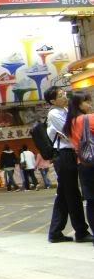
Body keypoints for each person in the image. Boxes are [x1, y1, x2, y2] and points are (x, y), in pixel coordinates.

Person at [44, 86, 91, 243]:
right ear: (52, 101)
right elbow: (70, 130)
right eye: (60, 95)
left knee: (64, 195)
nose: (65, 96)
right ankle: (81, 232)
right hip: (64, 155)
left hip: (69, 154)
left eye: (64, 93)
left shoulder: (64, 110)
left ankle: (55, 232)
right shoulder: (54, 113)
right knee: (72, 194)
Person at [63, 91, 94, 243]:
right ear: (78, 104)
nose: (90, 104)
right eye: (86, 101)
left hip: (83, 163)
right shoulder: (89, 118)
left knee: (91, 201)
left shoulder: (70, 123)